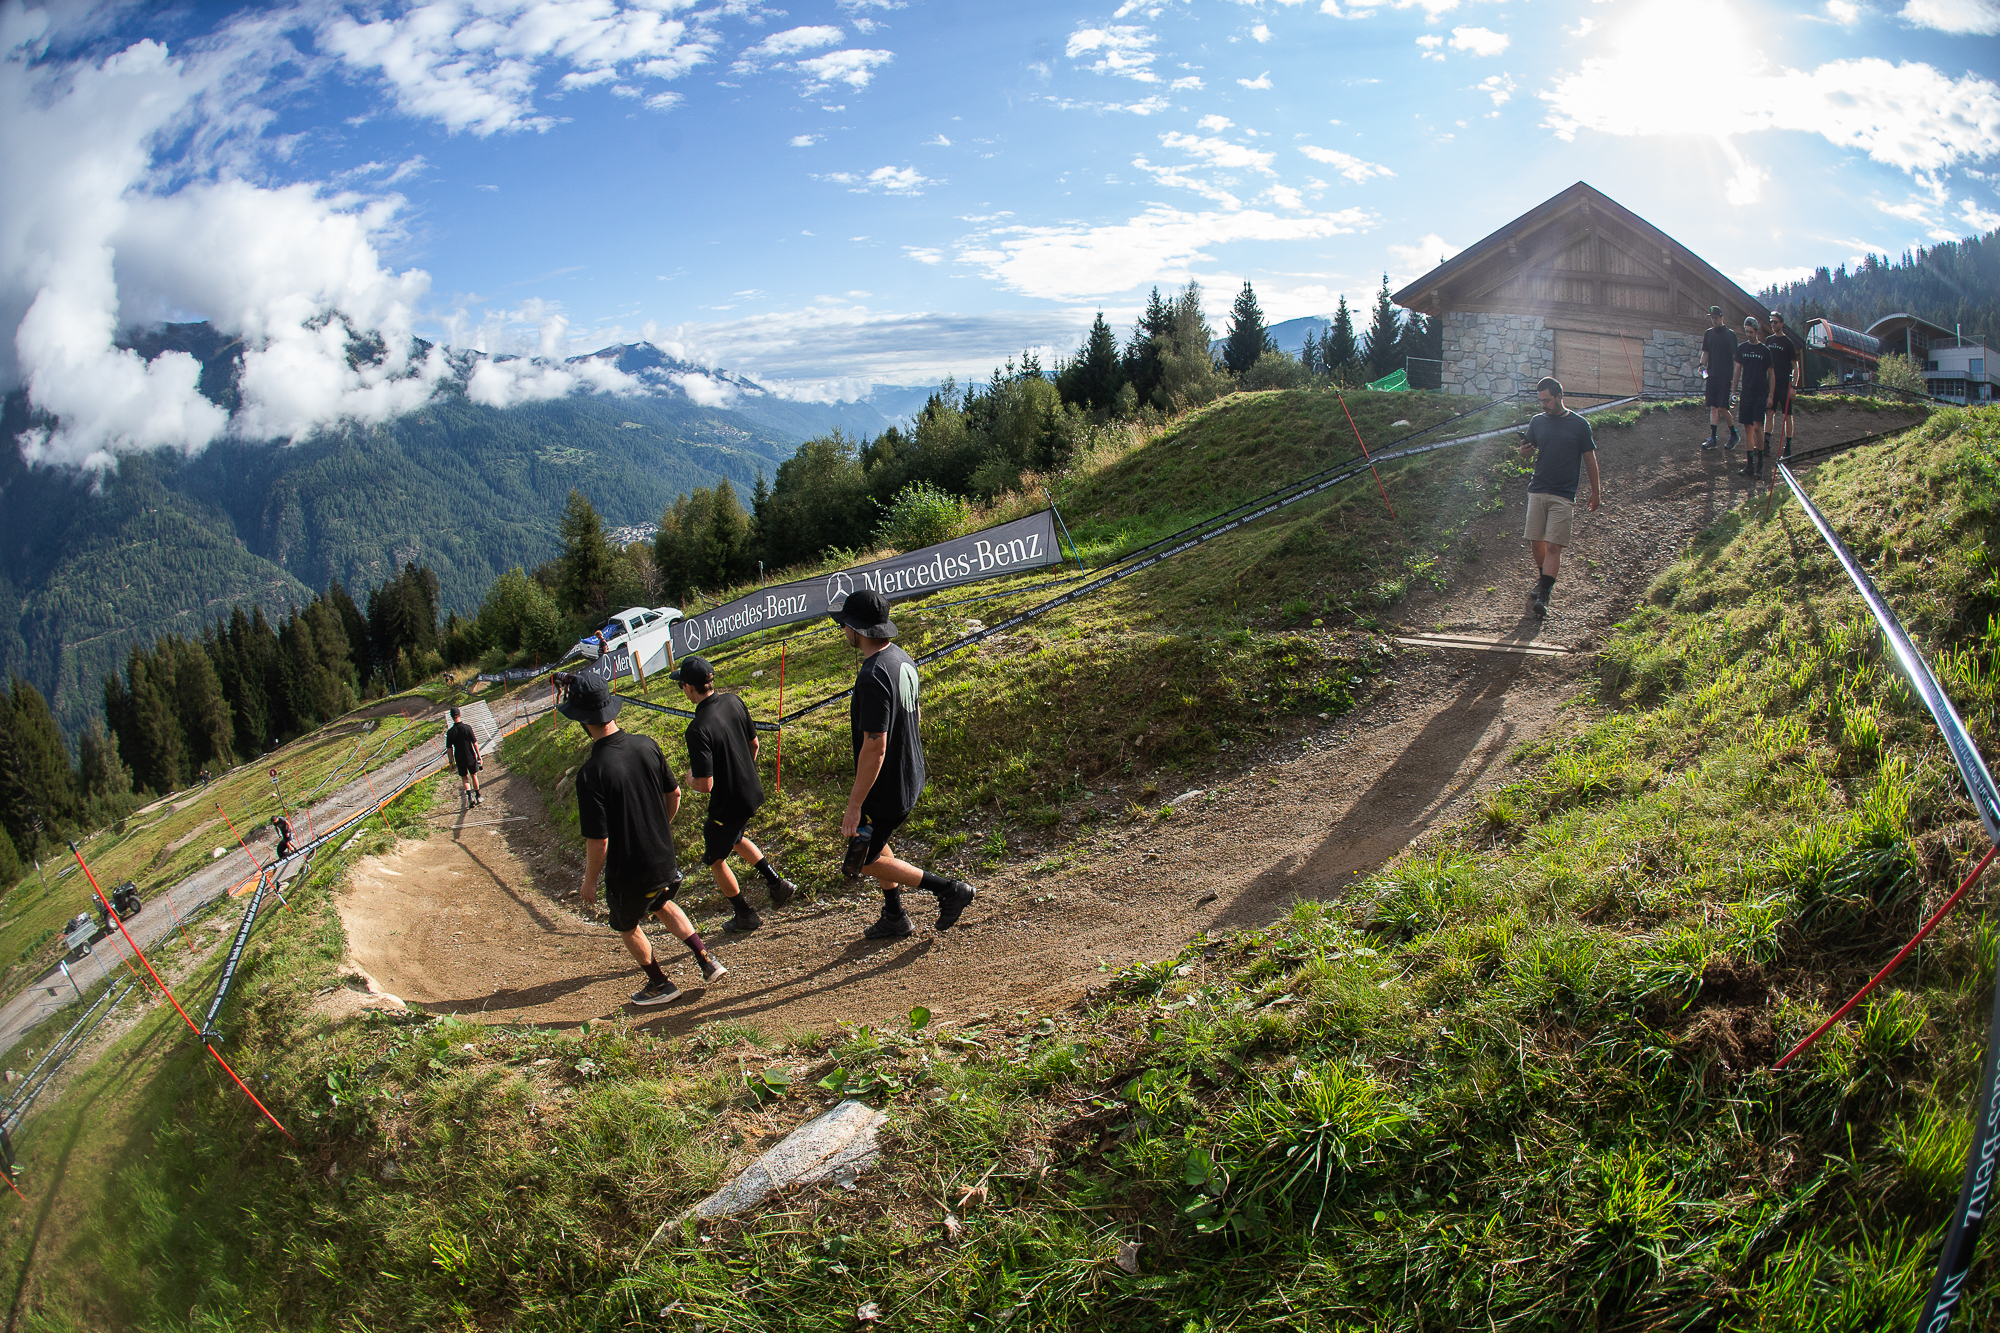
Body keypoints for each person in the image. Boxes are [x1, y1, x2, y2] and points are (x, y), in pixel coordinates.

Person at [560, 667, 726, 1006]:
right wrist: (658, 828)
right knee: (662, 901)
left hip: (629, 871)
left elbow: (600, 840)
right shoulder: (647, 746)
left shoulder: (591, 773)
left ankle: (659, 984)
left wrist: (590, 881)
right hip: (665, 858)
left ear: (581, 720)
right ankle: (707, 961)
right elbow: (675, 794)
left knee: (626, 924)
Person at [829, 587, 977, 939]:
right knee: (875, 844)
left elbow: (875, 746)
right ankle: (894, 914)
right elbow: (915, 713)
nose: (842, 631)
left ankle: (949, 889)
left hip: (887, 785)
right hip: (910, 771)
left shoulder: (872, 674)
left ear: (857, 630)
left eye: (844, 625)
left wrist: (854, 804)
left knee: (863, 859)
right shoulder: (901, 657)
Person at [667, 655, 797, 933]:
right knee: (735, 838)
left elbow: (705, 785)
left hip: (729, 803)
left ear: (689, 688)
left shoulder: (697, 728)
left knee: (715, 859)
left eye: (681, 686)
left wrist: (690, 778)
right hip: (752, 789)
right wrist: (743, 772)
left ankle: (745, 914)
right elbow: (754, 744)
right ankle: (777, 884)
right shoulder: (733, 701)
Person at [1518, 376, 1602, 620]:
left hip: (1563, 494)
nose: (1544, 405)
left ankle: (1544, 593)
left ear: (1559, 397)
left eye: (1547, 400)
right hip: (1538, 489)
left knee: (1554, 545)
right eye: (1541, 400)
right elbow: (1526, 452)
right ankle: (1545, 579)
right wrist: (1523, 451)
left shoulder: (1579, 424)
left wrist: (1596, 491)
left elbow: (1589, 459)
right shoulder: (1537, 422)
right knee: (1537, 543)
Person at [1733, 316, 1775, 480]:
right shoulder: (1742, 348)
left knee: (1758, 427)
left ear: (1757, 332)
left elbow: (1771, 374)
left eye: (1751, 332)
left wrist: (1771, 395)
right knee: (1747, 428)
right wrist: (1734, 391)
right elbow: (1737, 370)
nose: (1748, 334)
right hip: (1746, 393)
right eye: (1746, 332)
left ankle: (1760, 464)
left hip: (1760, 393)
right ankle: (1749, 465)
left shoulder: (1764, 351)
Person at [1699, 305, 1739, 451]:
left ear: (1722, 318)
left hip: (1724, 376)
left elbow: (1736, 358)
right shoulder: (1708, 334)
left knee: (1723, 407)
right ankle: (1713, 438)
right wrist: (1701, 365)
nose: (1713, 321)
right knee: (1713, 406)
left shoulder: (1730, 335)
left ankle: (1733, 434)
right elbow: (1705, 352)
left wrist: (1735, 376)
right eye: (1712, 318)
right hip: (1712, 374)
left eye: (1716, 318)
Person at [1767, 310, 1802, 460]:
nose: (1773, 324)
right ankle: (1766, 444)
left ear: (1781, 324)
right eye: (1771, 322)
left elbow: (1795, 366)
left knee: (1787, 415)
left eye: (1775, 322)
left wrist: (1793, 386)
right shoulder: (1768, 340)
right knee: (1769, 413)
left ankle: (1788, 446)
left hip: (1784, 384)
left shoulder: (1788, 343)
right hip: (1771, 385)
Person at [444, 707, 483, 806]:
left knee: (464, 778)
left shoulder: (450, 732)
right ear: (460, 714)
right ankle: (478, 796)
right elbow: (475, 743)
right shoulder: (467, 728)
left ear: (451, 717)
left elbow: (449, 749)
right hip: (470, 755)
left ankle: (470, 797)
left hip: (459, 757)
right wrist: (479, 756)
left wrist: (451, 762)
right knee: (474, 775)